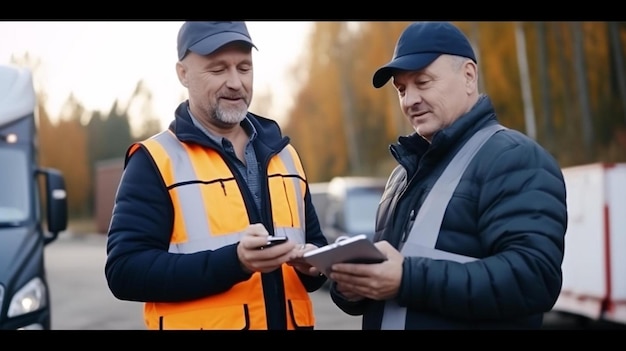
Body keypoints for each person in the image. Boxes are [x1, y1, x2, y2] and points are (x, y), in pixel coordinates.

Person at [328, 21, 568, 329]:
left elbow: (533, 278)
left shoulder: (515, 158)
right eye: (401, 89)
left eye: (423, 82)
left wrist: (407, 279)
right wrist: (352, 286)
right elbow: (389, 277)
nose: (409, 100)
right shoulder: (400, 178)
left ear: (469, 76)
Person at [104, 21, 329, 330]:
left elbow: (313, 258)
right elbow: (125, 272)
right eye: (218, 69)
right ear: (183, 73)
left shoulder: (286, 156)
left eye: (244, 68)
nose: (236, 82)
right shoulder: (155, 161)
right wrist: (234, 262)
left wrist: (314, 265)